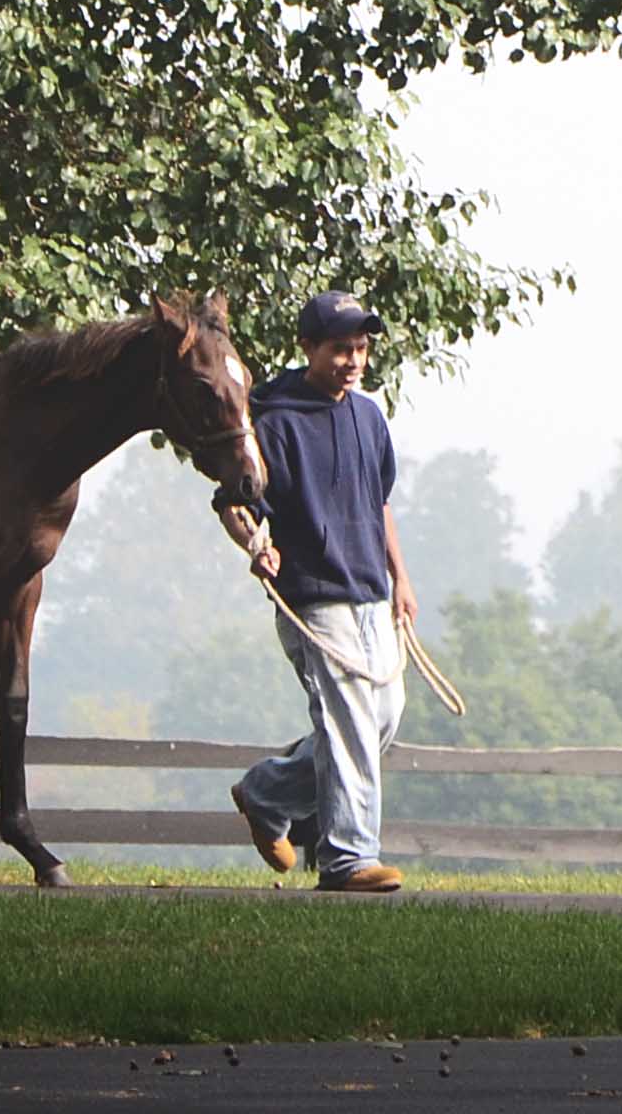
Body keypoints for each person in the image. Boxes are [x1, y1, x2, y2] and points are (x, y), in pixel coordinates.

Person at [219, 289, 417, 894]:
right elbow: (234, 502)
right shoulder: (275, 421)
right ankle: (348, 859)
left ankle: (267, 791)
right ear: (309, 348)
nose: (353, 360)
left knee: (380, 720)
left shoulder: (368, 416)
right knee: (351, 725)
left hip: (370, 594)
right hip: (313, 597)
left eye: (360, 349)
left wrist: (401, 578)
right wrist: (256, 546)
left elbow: (378, 503)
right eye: (340, 349)